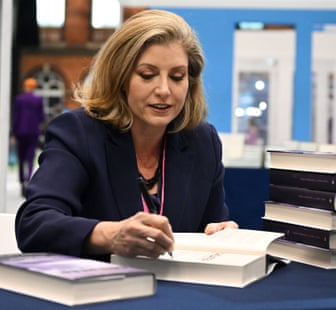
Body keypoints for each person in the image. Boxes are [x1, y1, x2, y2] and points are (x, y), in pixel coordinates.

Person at [15, 9, 238, 262]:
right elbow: (34, 225)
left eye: (177, 77)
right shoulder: (78, 133)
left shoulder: (203, 141)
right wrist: (110, 236)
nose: (164, 90)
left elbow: (211, 228)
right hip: (101, 294)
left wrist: (222, 235)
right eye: (147, 75)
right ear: (120, 78)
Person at [12, 77, 45, 196]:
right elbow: (42, 117)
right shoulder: (38, 99)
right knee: (30, 158)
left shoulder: (19, 99)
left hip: (20, 131)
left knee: (21, 158)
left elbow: (16, 117)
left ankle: (21, 181)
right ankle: (28, 180)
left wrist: (13, 131)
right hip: (33, 131)